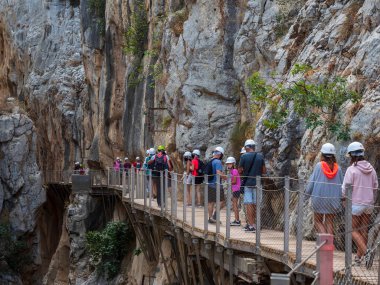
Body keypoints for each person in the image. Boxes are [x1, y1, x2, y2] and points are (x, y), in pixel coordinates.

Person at [342, 141, 378, 265]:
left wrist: (343, 199)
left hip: (356, 203)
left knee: (351, 229)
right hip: (369, 204)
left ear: (352, 155)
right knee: (363, 230)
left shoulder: (351, 170)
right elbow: (375, 186)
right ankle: (358, 258)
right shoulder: (371, 169)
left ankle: (367, 252)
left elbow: (345, 188)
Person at [305, 143, 343, 235]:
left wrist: (306, 195)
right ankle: (329, 247)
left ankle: (325, 243)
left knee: (318, 221)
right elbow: (342, 185)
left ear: (322, 154)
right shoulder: (338, 168)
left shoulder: (319, 166)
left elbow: (311, 183)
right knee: (329, 222)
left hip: (319, 199)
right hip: (333, 200)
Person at [238, 139, 266, 232]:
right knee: (256, 204)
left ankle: (251, 225)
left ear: (247, 147)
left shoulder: (244, 157)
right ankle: (257, 225)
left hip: (248, 183)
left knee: (249, 204)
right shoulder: (260, 156)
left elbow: (240, 170)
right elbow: (264, 171)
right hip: (258, 183)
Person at [206, 146, 225, 224]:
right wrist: (227, 178)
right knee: (222, 201)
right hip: (216, 184)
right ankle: (215, 216)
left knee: (210, 202)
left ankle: (210, 218)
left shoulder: (211, 161)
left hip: (209, 184)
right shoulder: (218, 162)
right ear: (220, 154)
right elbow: (218, 172)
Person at [226, 157, 241, 226]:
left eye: (230, 164)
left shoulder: (234, 170)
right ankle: (236, 220)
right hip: (234, 189)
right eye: (228, 164)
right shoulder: (232, 171)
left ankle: (237, 220)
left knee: (235, 205)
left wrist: (228, 183)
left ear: (233, 164)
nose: (228, 165)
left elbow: (234, 181)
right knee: (234, 205)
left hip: (236, 189)